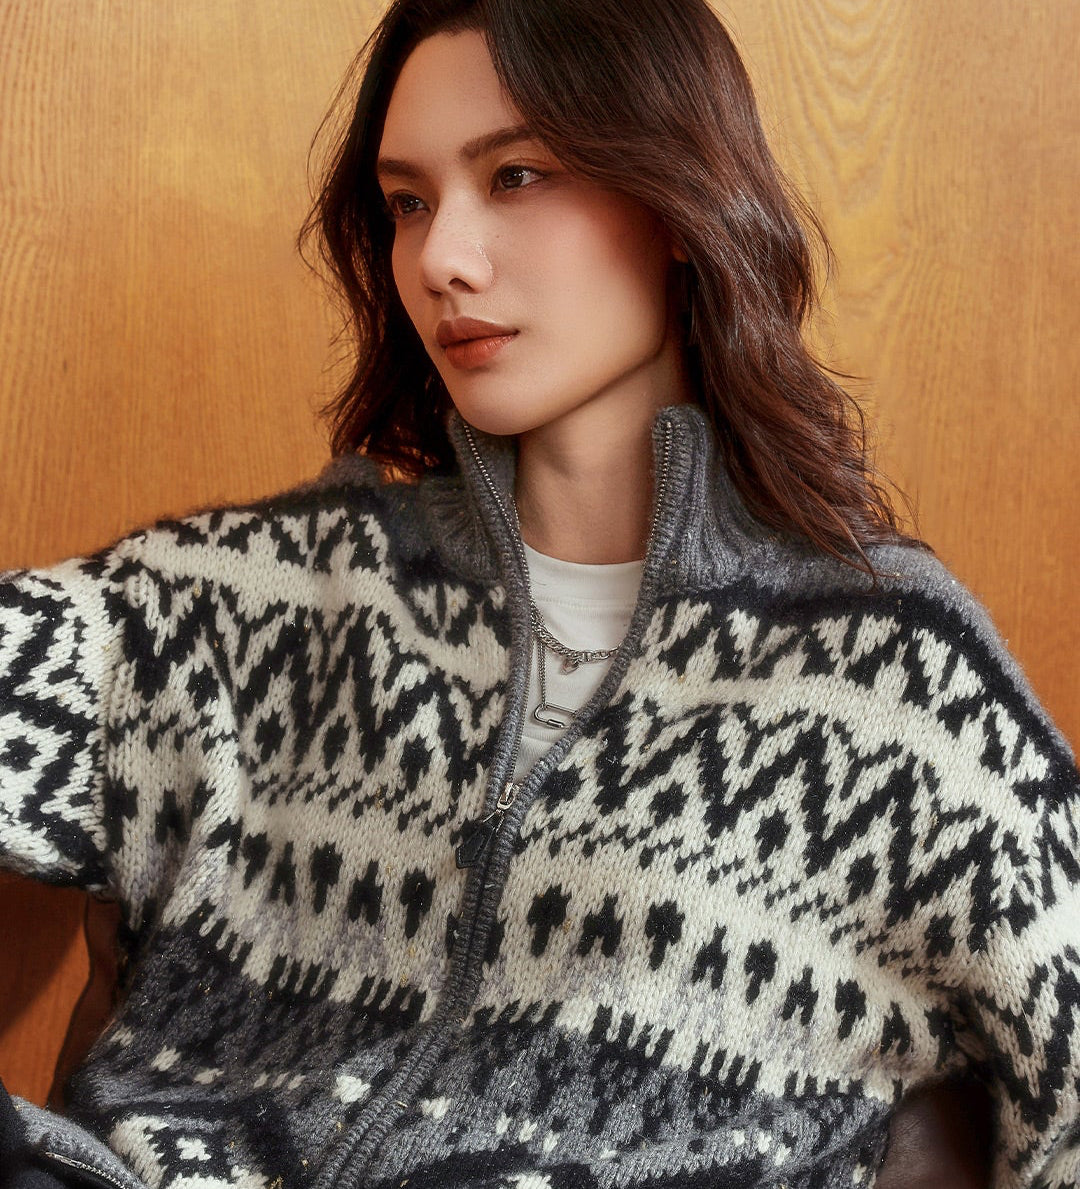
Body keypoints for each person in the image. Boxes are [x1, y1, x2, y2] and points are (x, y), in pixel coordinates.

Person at [0, 0, 1077, 1186]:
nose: (442, 260)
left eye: (515, 176)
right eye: (408, 203)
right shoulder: (258, 601)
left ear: (676, 199)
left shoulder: (896, 684)